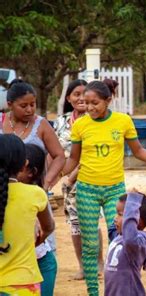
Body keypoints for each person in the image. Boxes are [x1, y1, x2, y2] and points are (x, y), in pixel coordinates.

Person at [61, 80, 146, 296]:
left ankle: (120, 288)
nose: (89, 108)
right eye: (86, 103)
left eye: (95, 103)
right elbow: (73, 159)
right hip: (87, 190)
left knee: (118, 239)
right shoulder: (80, 125)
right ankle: (93, 292)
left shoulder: (123, 121)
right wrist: (51, 173)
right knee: (89, 246)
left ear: (108, 100)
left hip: (114, 192)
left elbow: (139, 151)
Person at [54, 79, 105, 280]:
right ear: (69, 98)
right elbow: (56, 151)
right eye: (76, 94)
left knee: (92, 223)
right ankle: (83, 266)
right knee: (75, 225)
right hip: (68, 182)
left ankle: (99, 263)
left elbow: (88, 155)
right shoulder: (60, 122)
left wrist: (71, 176)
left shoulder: (96, 119)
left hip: (90, 178)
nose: (81, 98)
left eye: (85, 94)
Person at [0, 134, 55, 295]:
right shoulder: (35, 194)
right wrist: (31, 245)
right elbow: (48, 227)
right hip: (23, 284)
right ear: (24, 164)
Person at [0, 79, 65, 191]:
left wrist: (47, 181)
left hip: (33, 191)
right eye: (23, 106)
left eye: (32, 104)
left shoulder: (41, 124)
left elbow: (59, 155)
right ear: (10, 105)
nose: (29, 110)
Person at [17, 144, 58, 296]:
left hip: (40, 263)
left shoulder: (36, 195)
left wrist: (31, 245)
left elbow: (48, 227)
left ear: (31, 172)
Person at [104, 191, 146, 296]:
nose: (115, 218)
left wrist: (133, 202)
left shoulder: (139, 242)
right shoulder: (118, 236)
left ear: (136, 220)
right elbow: (112, 229)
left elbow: (130, 239)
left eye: (120, 214)